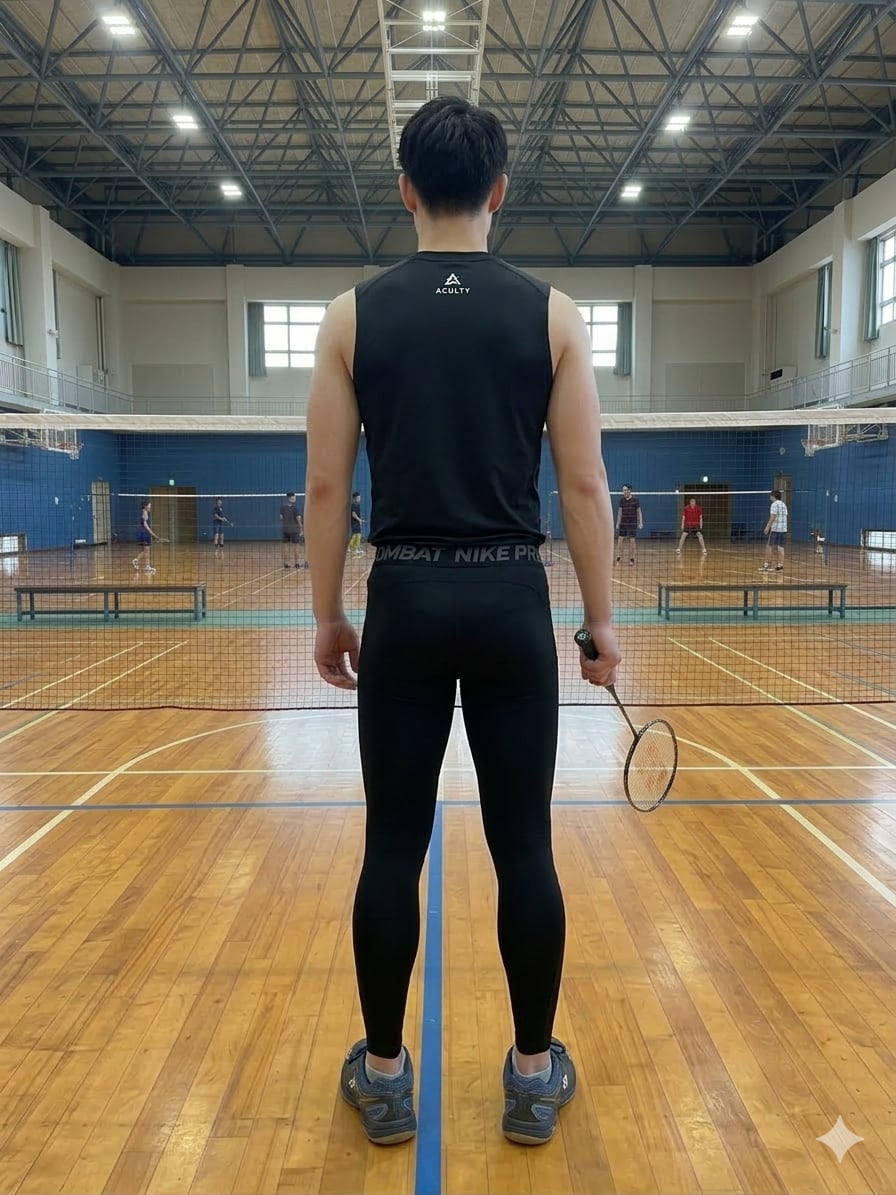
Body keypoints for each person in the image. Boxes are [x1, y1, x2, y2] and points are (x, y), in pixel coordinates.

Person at [303, 95, 620, 1148]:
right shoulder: (553, 315)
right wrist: (600, 622)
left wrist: (327, 616)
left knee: (391, 847)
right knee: (524, 846)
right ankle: (531, 1075)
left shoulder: (349, 317)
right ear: (498, 191)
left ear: (406, 190)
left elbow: (323, 489)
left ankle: (384, 1073)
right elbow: (583, 486)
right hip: (507, 603)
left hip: (402, 598)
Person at [760, 489, 788, 572]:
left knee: (769, 546)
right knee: (780, 547)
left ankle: (767, 565)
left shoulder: (774, 504)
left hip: (776, 529)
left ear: (773, 496)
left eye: (770, 495)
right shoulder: (783, 504)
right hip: (783, 529)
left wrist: (767, 527)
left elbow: (773, 516)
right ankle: (780, 566)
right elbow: (785, 515)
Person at [615, 484, 642, 565]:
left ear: (629, 491)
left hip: (632, 523)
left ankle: (632, 559)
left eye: (625, 490)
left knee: (632, 541)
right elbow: (620, 512)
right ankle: (618, 558)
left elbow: (639, 512)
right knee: (620, 540)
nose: (624, 492)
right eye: (623, 490)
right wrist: (618, 522)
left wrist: (640, 522)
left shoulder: (635, 500)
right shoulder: (622, 500)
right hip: (623, 522)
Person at [279, 492, 307, 568]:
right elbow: (298, 518)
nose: (294, 499)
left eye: (294, 498)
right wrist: (301, 529)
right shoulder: (295, 508)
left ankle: (286, 563)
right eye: (293, 498)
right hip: (294, 530)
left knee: (285, 546)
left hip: (285, 529)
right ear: (288, 498)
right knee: (296, 546)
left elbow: (281, 517)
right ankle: (297, 563)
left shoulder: (282, 507)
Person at [132, 500, 159, 573]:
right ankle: (142, 564)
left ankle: (140, 563)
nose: (150, 507)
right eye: (149, 506)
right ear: (145, 506)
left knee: (146, 551)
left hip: (144, 533)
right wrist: (153, 534)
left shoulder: (145, 512)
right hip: (144, 533)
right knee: (146, 550)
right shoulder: (144, 513)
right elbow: (146, 526)